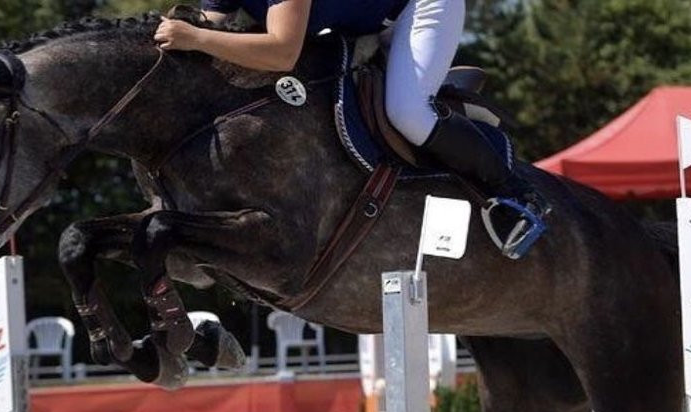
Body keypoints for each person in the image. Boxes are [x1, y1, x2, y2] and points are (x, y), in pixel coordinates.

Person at [153, 0, 549, 258]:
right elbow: (208, 24)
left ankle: (515, 192)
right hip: (357, 25)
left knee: (406, 111)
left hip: (422, 7)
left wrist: (195, 37)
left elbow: (281, 51)